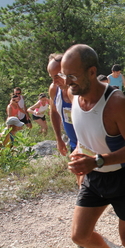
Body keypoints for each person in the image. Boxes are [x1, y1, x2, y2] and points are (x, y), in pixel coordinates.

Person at [60, 44, 125, 248]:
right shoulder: (74, 95)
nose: (66, 82)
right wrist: (79, 151)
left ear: (91, 72)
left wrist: (97, 160)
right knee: (79, 236)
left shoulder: (115, 102)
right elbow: (86, 132)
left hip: (124, 177)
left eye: (71, 76)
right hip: (94, 176)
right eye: (64, 76)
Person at [47, 53, 81, 186]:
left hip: (91, 143)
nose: (55, 81)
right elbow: (54, 112)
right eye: (51, 77)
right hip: (74, 143)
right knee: (81, 182)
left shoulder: (80, 91)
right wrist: (59, 139)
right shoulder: (54, 90)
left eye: (58, 76)